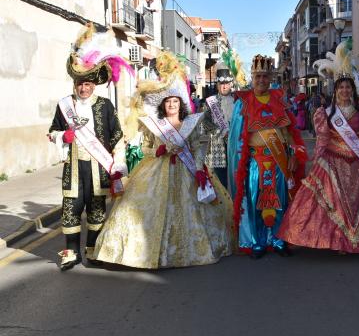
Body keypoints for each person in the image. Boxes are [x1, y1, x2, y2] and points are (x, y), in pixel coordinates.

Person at [93, 52, 232, 269]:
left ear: (181, 104)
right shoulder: (153, 125)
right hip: (156, 171)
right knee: (139, 209)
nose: (172, 105)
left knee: (192, 213)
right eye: (169, 102)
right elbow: (146, 148)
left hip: (186, 172)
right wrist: (156, 151)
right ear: (163, 105)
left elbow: (196, 148)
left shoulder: (192, 123)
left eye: (176, 101)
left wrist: (198, 169)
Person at [277, 76, 359, 253]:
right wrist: (315, 162)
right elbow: (322, 139)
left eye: (348, 87)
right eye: (341, 87)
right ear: (335, 91)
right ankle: (338, 242)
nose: (345, 90)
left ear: (353, 90)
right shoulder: (325, 113)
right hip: (332, 161)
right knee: (334, 202)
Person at [47, 24, 130, 271]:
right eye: (80, 84)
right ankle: (71, 252)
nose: (83, 88)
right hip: (73, 168)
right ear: (75, 85)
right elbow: (52, 133)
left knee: (96, 211)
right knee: (71, 210)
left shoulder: (105, 105)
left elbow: (117, 135)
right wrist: (64, 135)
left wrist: (119, 164)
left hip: (98, 168)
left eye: (87, 84)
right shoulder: (64, 106)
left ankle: (93, 250)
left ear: (94, 84)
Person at [227, 55, 307, 259]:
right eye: (257, 76)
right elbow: (236, 136)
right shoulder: (242, 103)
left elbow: (290, 133)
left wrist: (294, 153)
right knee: (255, 202)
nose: (261, 80)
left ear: (270, 76)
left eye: (265, 76)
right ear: (252, 78)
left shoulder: (280, 100)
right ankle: (257, 242)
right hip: (255, 162)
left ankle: (279, 240)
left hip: (279, 160)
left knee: (280, 201)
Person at [201, 62, 235, 188]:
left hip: (235, 145)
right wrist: (219, 131)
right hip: (217, 146)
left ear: (230, 84)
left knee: (235, 177)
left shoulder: (237, 102)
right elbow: (205, 122)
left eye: (226, 83)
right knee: (220, 181)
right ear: (217, 85)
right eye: (221, 84)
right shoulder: (211, 102)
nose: (224, 86)